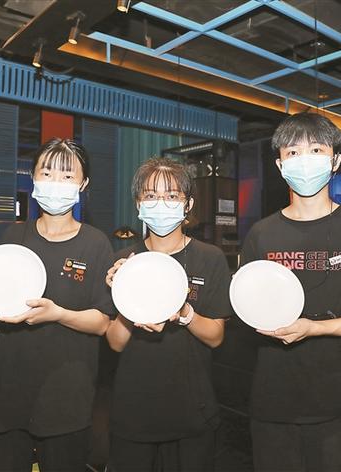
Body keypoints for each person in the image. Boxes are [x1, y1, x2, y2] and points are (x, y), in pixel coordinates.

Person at [240, 112, 341, 472]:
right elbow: (247, 306)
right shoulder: (261, 234)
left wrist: (315, 328)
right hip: (273, 403)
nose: (304, 160)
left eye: (316, 150)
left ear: (335, 161)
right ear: (280, 165)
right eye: (293, 152)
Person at [0, 138, 115, 472]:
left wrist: (58, 314)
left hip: (66, 388)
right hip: (9, 384)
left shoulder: (95, 243)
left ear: (83, 184)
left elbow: (102, 323)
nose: (55, 183)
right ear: (33, 177)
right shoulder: (14, 237)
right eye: (47, 173)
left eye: (67, 176)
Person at [104, 157, 230, 471]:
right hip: (133, 410)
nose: (161, 203)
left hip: (192, 410)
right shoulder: (125, 261)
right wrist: (126, 297)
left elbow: (215, 337)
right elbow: (115, 343)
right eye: (151, 195)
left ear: (188, 205)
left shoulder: (210, 258)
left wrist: (184, 312)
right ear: (138, 204)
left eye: (172, 196)